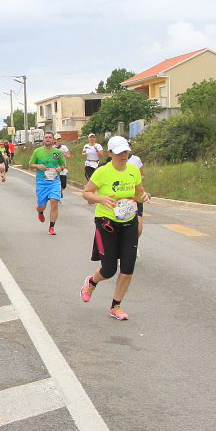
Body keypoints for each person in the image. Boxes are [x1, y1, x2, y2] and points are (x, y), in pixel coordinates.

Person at [80, 136, 149, 321]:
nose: (123, 155)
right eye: (119, 153)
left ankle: (116, 306)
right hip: (107, 223)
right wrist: (102, 199)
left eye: (125, 151)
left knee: (128, 267)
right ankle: (92, 282)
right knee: (109, 269)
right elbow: (86, 193)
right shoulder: (102, 172)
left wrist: (143, 195)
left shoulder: (133, 170)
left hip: (129, 222)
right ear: (110, 153)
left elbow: (138, 192)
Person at [30, 131, 66, 235]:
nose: (48, 139)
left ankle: (51, 227)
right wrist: (38, 166)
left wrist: (60, 168)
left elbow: (63, 165)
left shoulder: (58, 152)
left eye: (50, 137)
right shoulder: (37, 152)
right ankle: (40, 211)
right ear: (43, 139)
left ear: (53, 139)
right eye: (46, 137)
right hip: (42, 182)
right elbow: (31, 165)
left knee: (54, 201)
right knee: (42, 206)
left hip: (54, 182)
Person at [128, 151, 146, 236]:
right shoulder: (111, 162)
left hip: (136, 195)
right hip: (121, 199)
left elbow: (142, 174)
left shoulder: (136, 159)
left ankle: (134, 245)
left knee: (139, 229)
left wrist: (136, 181)